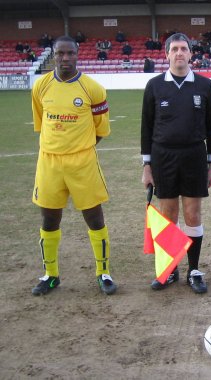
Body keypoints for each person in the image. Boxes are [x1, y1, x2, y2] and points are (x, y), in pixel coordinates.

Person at [30, 36, 117, 296]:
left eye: (70, 54)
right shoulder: (40, 87)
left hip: (83, 162)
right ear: (53, 55)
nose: (65, 59)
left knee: (94, 217)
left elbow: (100, 130)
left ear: (78, 55)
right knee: (49, 219)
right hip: (49, 162)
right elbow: (40, 123)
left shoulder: (93, 89)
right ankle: (50, 275)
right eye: (60, 54)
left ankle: (104, 273)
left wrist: (79, 147)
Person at [141, 32, 211, 294]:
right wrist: (146, 166)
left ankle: (194, 270)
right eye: (174, 49)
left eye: (184, 48)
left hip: (195, 155)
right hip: (163, 156)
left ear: (191, 53)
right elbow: (146, 127)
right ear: (166, 54)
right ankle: (169, 268)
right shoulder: (154, 85)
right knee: (168, 214)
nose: (179, 53)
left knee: (193, 213)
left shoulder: (205, 86)